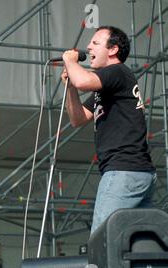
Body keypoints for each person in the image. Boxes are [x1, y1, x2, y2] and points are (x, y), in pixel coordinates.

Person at [61, 26, 156, 235]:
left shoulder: (116, 72)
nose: (88, 46)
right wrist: (70, 87)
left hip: (123, 170)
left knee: (103, 240)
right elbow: (77, 118)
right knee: (135, 243)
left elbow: (84, 81)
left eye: (95, 43)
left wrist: (70, 60)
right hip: (137, 172)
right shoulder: (108, 84)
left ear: (112, 50)